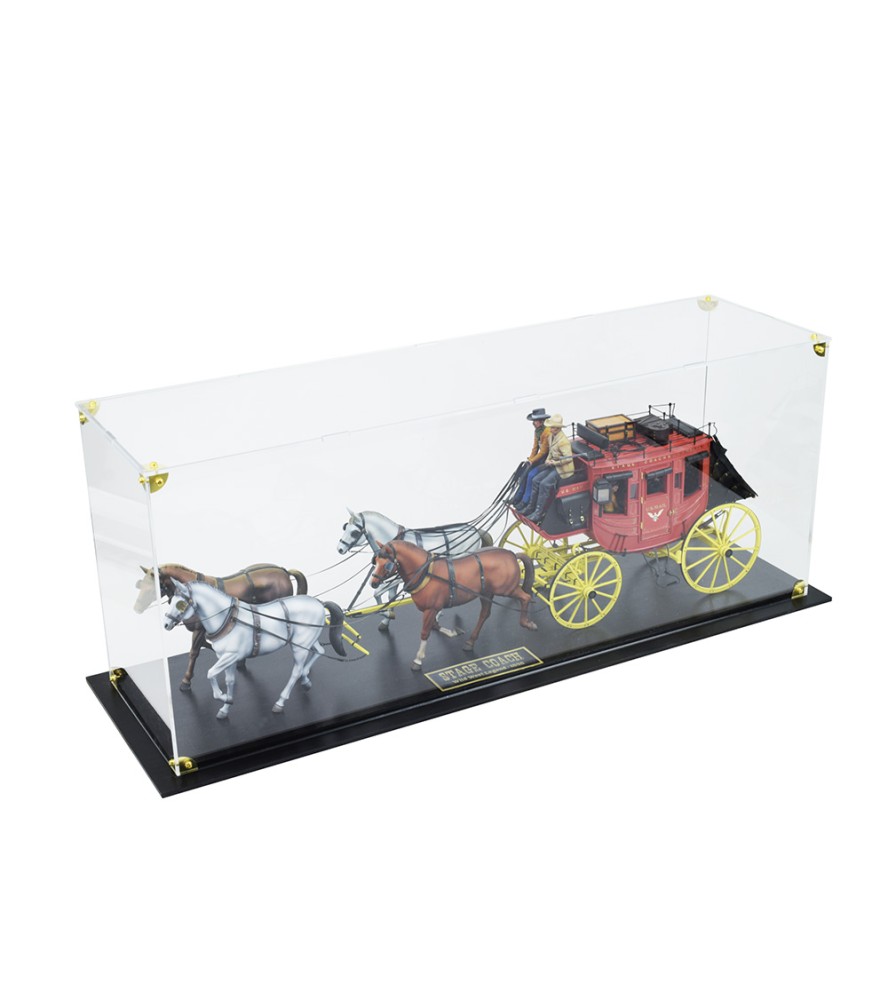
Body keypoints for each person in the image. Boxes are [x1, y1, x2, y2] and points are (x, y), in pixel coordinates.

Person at [525, 414, 576, 523]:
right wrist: (548, 460)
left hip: (563, 469)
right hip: (553, 465)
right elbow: (551, 452)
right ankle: (531, 507)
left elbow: (568, 459)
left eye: (552, 427)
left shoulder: (563, 442)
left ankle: (539, 513)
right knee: (536, 480)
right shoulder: (551, 437)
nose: (549, 429)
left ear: (557, 428)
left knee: (544, 484)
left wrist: (554, 462)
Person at [510, 407, 552, 510]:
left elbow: (543, 451)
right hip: (541, 458)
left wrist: (532, 461)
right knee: (525, 472)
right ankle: (517, 497)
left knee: (531, 475)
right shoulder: (538, 431)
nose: (533, 423)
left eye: (535, 421)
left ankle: (525, 501)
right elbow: (535, 448)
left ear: (541, 421)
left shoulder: (547, 432)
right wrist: (530, 460)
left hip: (548, 459)